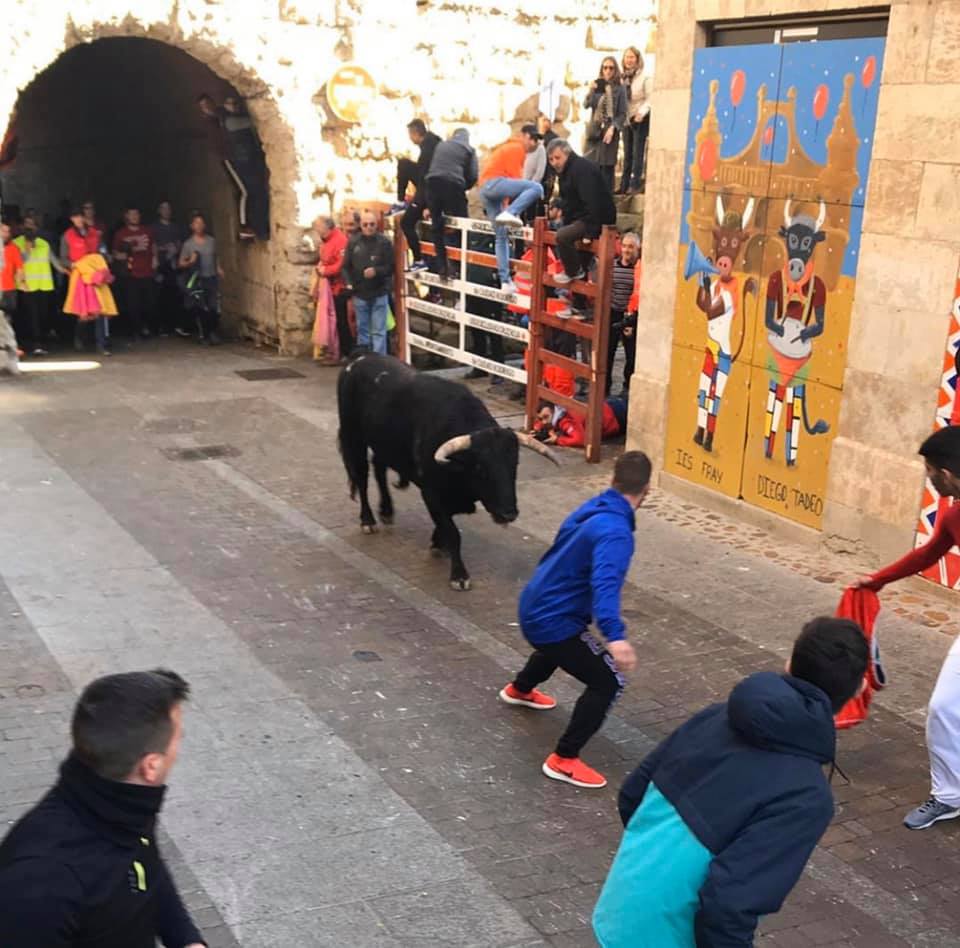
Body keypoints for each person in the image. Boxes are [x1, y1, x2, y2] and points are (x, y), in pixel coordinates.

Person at [592, 617, 869, 947]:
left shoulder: (718, 715)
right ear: (858, 691)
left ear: (790, 663)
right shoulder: (807, 795)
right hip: (671, 935)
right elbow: (729, 903)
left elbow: (633, 794)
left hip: (623, 910)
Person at [0, 668, 206, 948]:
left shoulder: (117, 798)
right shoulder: (40, 884)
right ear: (151, 766)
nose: (178, 746)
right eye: (178, 737)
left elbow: (145, 870)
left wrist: (186, 940)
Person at [500, 451, 650, 789]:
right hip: (552, 618)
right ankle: (564, 759)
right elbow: (605, 584)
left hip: (534, 604)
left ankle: (520, 689)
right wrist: (616, 637)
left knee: (564, 643)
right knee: (609, 681)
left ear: (613, 480)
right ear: (647, 491)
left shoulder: (593, 508)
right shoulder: (616, 533)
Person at [855, 426, 960, 830]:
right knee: (944, 708)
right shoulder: (953, 516)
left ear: (947, 473)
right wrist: (877, 580)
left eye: (930, 470)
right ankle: (949, 797)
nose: (928, 477)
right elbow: (927, 554)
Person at [478, 133, 544, 294]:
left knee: (501, 237)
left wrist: (507, 208)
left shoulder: (504, 147)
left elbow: (508, 182)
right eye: (532, 143)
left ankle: (505, 282)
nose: (531, 148)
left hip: (486, 189)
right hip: (495, 184)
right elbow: (515, 177)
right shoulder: (517, 148)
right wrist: (513, 211)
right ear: (527, 137)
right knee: (536, 188)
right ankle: (511, 213)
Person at [546, 139, 617, 286]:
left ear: (567, 154)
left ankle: (572, 271)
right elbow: (569, 202)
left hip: (598, 218)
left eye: (557, 158)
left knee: (562, 236)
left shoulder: (582, 169)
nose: (554, 163)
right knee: (580, 258)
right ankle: (579, 303)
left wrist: (590, 232)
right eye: (551, 159)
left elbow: (593, 200)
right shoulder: (565, 173)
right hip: (582, 217)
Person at [423, 128, 478, 277]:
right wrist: (463, 186)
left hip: (432, 183)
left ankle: (442, 265)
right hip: (453, 185)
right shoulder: (469, 150)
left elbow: (433, 167)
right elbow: (473, 175)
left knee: (437, 226)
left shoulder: (441, 145)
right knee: (462, 225)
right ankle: (462, 267)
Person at [388, 119, 442, 273]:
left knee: (406, 222)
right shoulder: (433, 142)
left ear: (415, 133)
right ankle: (400, 201)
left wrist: (422, 204)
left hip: (428, 191)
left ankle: (419, 259)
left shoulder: (428, 148)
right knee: (404, 164)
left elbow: (425, 180)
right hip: (429, 187)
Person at [62, 206, 116, 355]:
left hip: (97, 276)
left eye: (81, 216)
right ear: (72, 219)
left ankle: (102, 344)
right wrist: (74, 265)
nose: (79, 219)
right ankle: (79, 337)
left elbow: (102, 251)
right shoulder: (67, 236)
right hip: (80, 278)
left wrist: (104, 260)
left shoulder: (95, 234)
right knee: (84, 313)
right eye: (75, 217)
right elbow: (64, 259)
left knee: (101, 308)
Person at [14, 214, 66, 356]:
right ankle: (36, 344)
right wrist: (27, 249)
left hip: (44, 286)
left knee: (43, 315)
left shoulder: (44, 243)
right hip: (26, 286)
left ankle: (41, 341)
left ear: (37, 228)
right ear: (23, 226)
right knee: (32, 316)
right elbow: (17, 263)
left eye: (32, 224)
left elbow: (54, 262)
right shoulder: (17, 243)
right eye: (27, 224)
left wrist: (68, 270)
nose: (29, 227)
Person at [345, 211, 393, 355]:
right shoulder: (354, 242)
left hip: (379, 291)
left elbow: (391, 267)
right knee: (362, 330)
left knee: (379, 331)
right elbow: (346, 266)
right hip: (360, 292)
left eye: (372, 224)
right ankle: (364, 360)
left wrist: (376, 271)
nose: (369, 227)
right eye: (365, 224)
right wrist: (349, 284)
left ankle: (379, 362)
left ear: (376, 225)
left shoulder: (384, 243)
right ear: (360, 225)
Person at [222, 94, 270, 239]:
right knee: (246, 192)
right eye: (229, 103)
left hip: (249, 161)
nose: (233, 106)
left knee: (259, 193)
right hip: (239, 162)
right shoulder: (229, 120)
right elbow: (251, 122)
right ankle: (244, 226)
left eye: (235, 103)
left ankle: (260, 227)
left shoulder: (237, 119)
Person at [112, 206, 158, 339]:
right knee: (133, 304)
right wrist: (125, 254)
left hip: (148, 272)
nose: (134, 217)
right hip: (130, 274)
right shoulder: (120, 234)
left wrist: (155, 258)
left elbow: (153, 245)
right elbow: (115, 253)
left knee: (150, 303)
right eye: (131, 214)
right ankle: (135, 330)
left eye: (137, 214)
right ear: (126, 216)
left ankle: (147, 328)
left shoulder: (147, 231)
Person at [584, 56, 628, 192]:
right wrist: (591, 90)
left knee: (607, 169)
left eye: (611, 68)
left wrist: (613, 128)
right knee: (592, 166)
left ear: (615, 70)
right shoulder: (598, 85)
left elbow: (622, 113)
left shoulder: (620, 88)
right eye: (605, 67)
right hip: (595, 132)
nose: (608, 71)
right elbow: (586, 105)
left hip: (610, 132)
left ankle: (606, 203)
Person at [178, 212, 223, 344]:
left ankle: (213, 332)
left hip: (212, 277)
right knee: (202, 307)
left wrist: (219, 267)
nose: (200, 226)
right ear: (192, 226)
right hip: (198, 279)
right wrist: (190, 262)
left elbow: (216, 255)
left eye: (202, 223)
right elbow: (180, 263)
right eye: (196, 223)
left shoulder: (211, 241)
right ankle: (205, 334)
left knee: (214, 306)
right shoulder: (188, 244)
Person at [311, 215, 352, 360]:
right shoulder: (326, 241)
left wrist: (325, 271)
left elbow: (341, 264)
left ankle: (345, 351)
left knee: (341, 321)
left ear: (326, 227)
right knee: (332, 320)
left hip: (339, 287)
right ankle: (335, 350)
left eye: (318, 227)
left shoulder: (339, 240)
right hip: (330, 288)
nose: (316, 230)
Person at [607, 231, 640, 396]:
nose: (627, 250)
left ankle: (627, 389)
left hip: (630, 315)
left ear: (637, 249)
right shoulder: (612, 266)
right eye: (625, 246)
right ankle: (605, 388)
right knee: (608, 352)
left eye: (631, 247)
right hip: (613, 312)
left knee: (631, 356)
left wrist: (630, 320)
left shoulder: (640, 269)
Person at [532, 397, 627, 448]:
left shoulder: (566, 421)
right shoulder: (560, 408)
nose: (544, 422)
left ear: (554, 411)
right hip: (609, 407)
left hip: (617, 418)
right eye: (541, 419)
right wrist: (539, 428)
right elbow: (541, 421)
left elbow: (580, 440)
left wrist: (558, 440)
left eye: (546, 417)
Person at [619, 47, 651, 195]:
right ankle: (624, 184)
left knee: (637, 152)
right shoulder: (623, 78)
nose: (629, 60)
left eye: (632, 57)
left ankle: (635, 183)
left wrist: (641, 113)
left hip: (640, 118)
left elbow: (651, 97)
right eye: (627, 57)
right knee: (627, 153)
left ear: (637, 59)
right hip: (627, 119)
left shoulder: (645, 77)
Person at [153, 201, 186, 337]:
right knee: (161, 296)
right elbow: (152, 245)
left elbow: (180, 243)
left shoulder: (176, 227)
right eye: (164, 208)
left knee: (176, 294)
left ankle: (176, 325)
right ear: (159, 210)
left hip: (174, 265)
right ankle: (162, 326)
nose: (167, 211)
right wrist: (163, 249)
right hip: (161, 265)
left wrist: (176, 249)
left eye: (169, 208)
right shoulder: (154, 227)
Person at [1, 222, 26, 342]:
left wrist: (22, 282)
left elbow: (20, 268)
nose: (6, 234)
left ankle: (7, 344)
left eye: (8, 231)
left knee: (8, 318)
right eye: (3, 231)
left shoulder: (13, 248)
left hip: (9, 289)